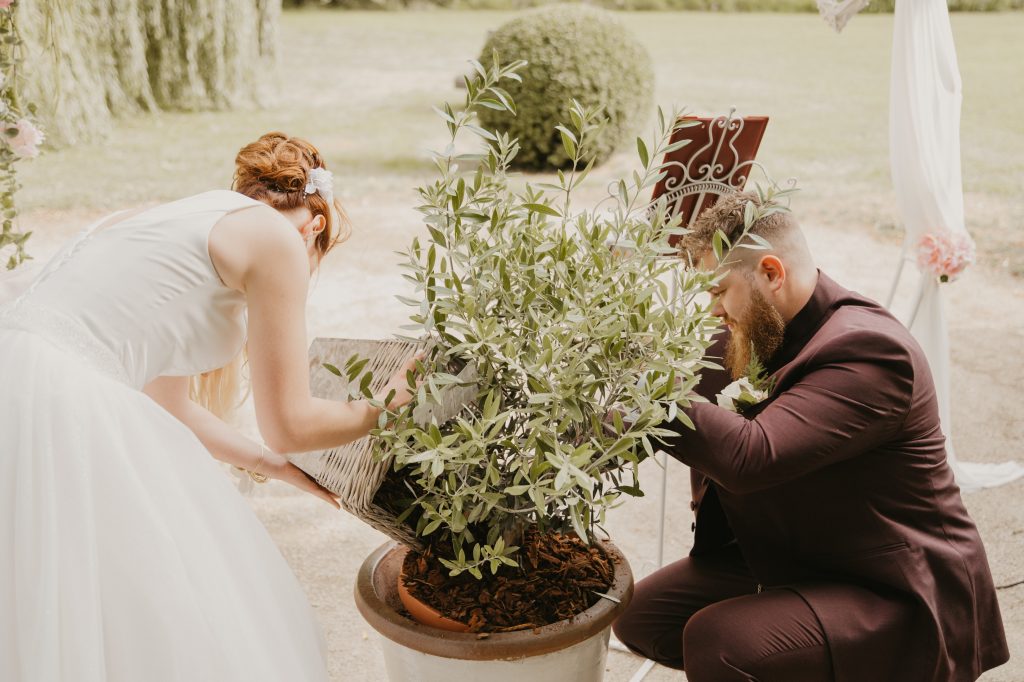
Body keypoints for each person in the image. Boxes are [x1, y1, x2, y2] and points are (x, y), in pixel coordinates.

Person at [0, 132, 418, 681]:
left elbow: (169, 405)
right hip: (61, 401)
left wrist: (273, 467)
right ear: (315, 226)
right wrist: (390, 402)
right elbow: (290, 425)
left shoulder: (163, 219)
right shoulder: (278, 240)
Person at [612, 192, 1009, 681]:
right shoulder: (754, 329)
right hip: (797, 553)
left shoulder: (871, 352)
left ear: (771, 273)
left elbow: (751, 456)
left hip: (892, 584)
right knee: (643, 616)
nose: (712, 311)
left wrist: (646, 382)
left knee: (719, 641)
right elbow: (670, 405)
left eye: (719, 291)